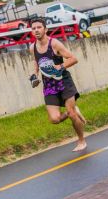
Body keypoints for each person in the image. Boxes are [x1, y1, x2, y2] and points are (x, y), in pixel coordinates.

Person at [29, 17, 87, 152]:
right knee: (54, 119)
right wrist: (35, 75)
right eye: (33, 28)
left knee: (71, 114)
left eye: (39, 27)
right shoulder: (32, 47)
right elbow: (37, 62)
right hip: (49, 85)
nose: (36, 30)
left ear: (45, 29)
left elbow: (73, 58)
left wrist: (59, 67)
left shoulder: (54, 44)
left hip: (64, 81)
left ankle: (81, 140)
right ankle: (73, 111)